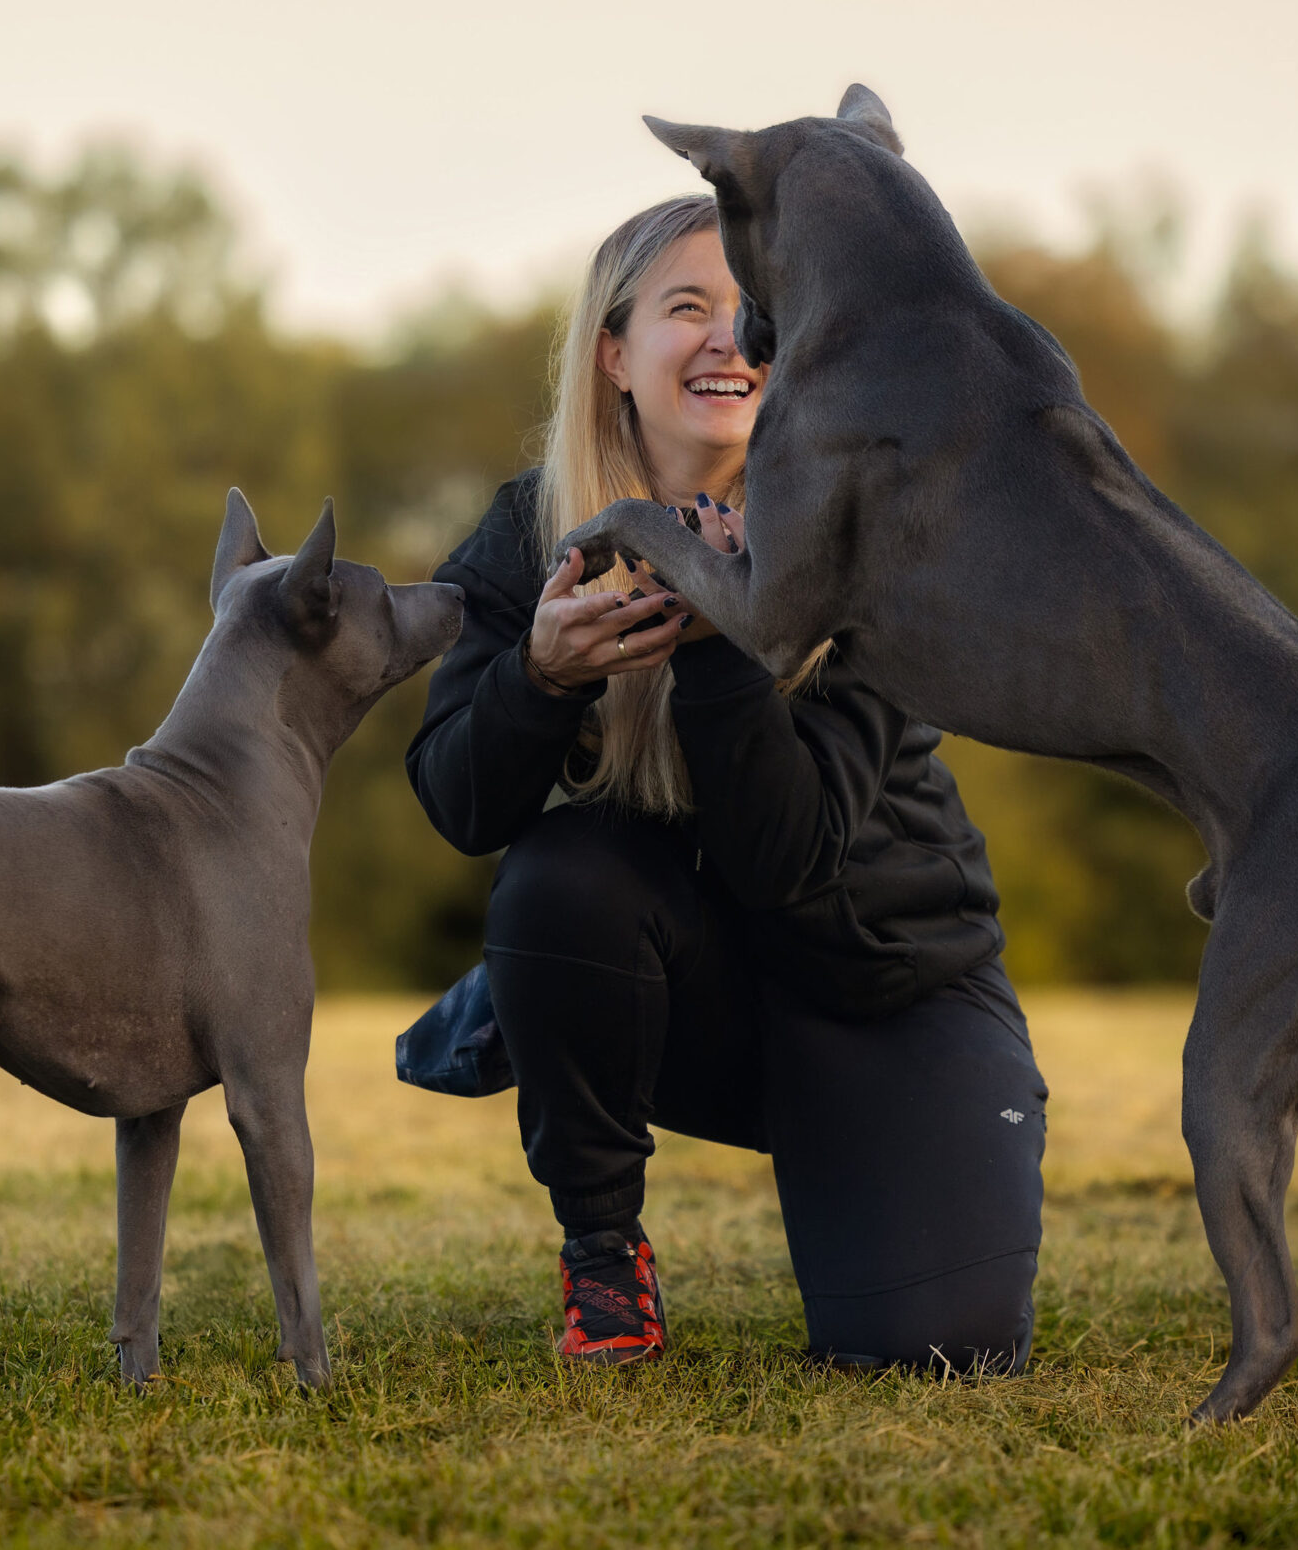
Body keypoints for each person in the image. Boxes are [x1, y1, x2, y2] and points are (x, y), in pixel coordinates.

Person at [402, 195, 1048, 1371]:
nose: (722, 337)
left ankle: (902, 1136)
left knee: (928, 1348)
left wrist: (717, 644)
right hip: (691, 984)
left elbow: (785, 862)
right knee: (558, 879)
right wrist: (537, 681)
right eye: (683, 307)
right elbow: (457, 803)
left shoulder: (867, 540)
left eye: (746, 313)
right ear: (614, 354)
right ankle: (602, 1254)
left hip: (883, 990)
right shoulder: (535, 528)